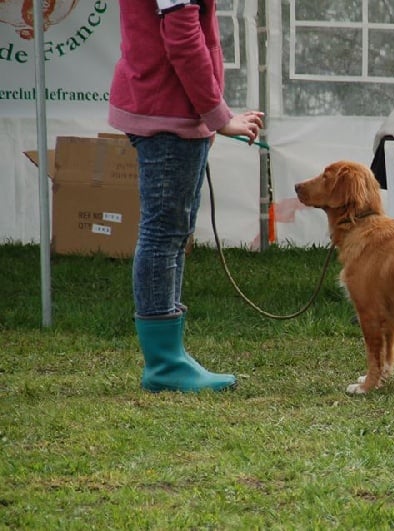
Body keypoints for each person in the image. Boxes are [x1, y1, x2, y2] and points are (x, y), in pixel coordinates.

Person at [108, 0, 264, 392]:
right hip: (168, 112)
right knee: (163, 234)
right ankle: (164, 366)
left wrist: (214, 115)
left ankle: (171, 356)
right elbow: (182, 37)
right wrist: (219, 115)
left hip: (171, 108)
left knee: (171, 234)